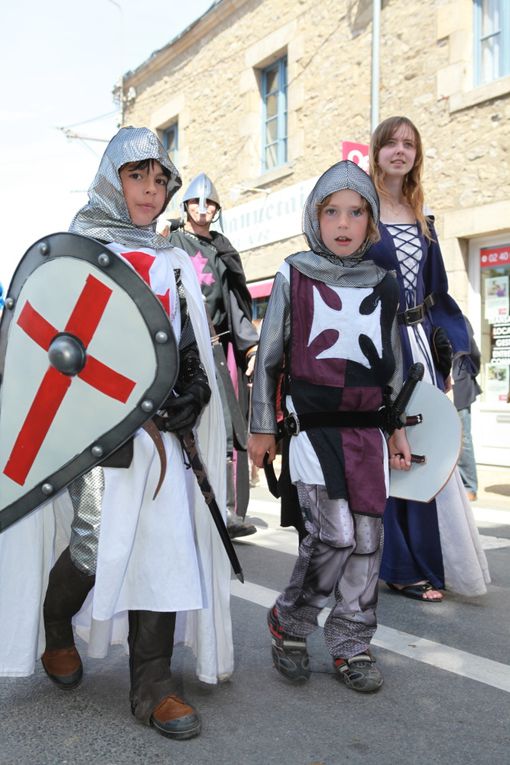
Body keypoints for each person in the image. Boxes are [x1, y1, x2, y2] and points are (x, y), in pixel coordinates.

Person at [0, 127, 233, 740]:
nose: (151, 192)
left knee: (163, 544)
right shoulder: (73, 256)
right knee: (94, 543)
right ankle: (57, 625)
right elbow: (45, 349)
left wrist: (195, 391)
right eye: (138, 178)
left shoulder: (170, 260)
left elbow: (183, 344)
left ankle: (154, 683)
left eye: (161, 181)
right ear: (111, 180)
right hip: (94, 433)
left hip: (157, 434)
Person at [249, 160, 412, 693]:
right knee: (333, 536)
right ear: (314, 218)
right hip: (312, 428)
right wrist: (261, 427)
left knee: (367, 540)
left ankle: (352, 643)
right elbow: (269, 358)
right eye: (332, 212)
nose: (343, 224)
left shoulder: (385, 285)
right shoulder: (293, 274)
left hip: (366, 431)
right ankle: (291, 624)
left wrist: (397, 428)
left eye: (356, 212)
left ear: (370, 221)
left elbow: (395, 366)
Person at [366, 115, 490, 601]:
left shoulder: (422, 217)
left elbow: (438, 293)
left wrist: (454, 349)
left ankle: (417, 559)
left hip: (417, 344)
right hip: (377, 342)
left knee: (422, 453)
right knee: (385, 453)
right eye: (391, 143)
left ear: (416, 155)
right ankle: (397, 564)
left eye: (409, 145)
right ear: (376, 151)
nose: (400, 151)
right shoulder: (362, 211)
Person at [168, 174, 259, 539]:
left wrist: (250, 346)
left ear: (217, 209)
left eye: (209, 204)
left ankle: (228, 510)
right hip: (182, 349)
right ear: (186, 206)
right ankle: (185, 505)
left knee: (228, 429)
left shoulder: (223, 249)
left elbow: (235, 301)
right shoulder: (171, 243)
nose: (203, 209)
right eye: (196, 202)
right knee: (186, 426)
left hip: (219, 350)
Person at [453, 316, 482, 501]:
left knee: (463, 438)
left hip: (460, 387)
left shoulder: (459, 319)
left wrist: (466, 375)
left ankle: (469, 486)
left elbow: (474, 355)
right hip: (439, 385)